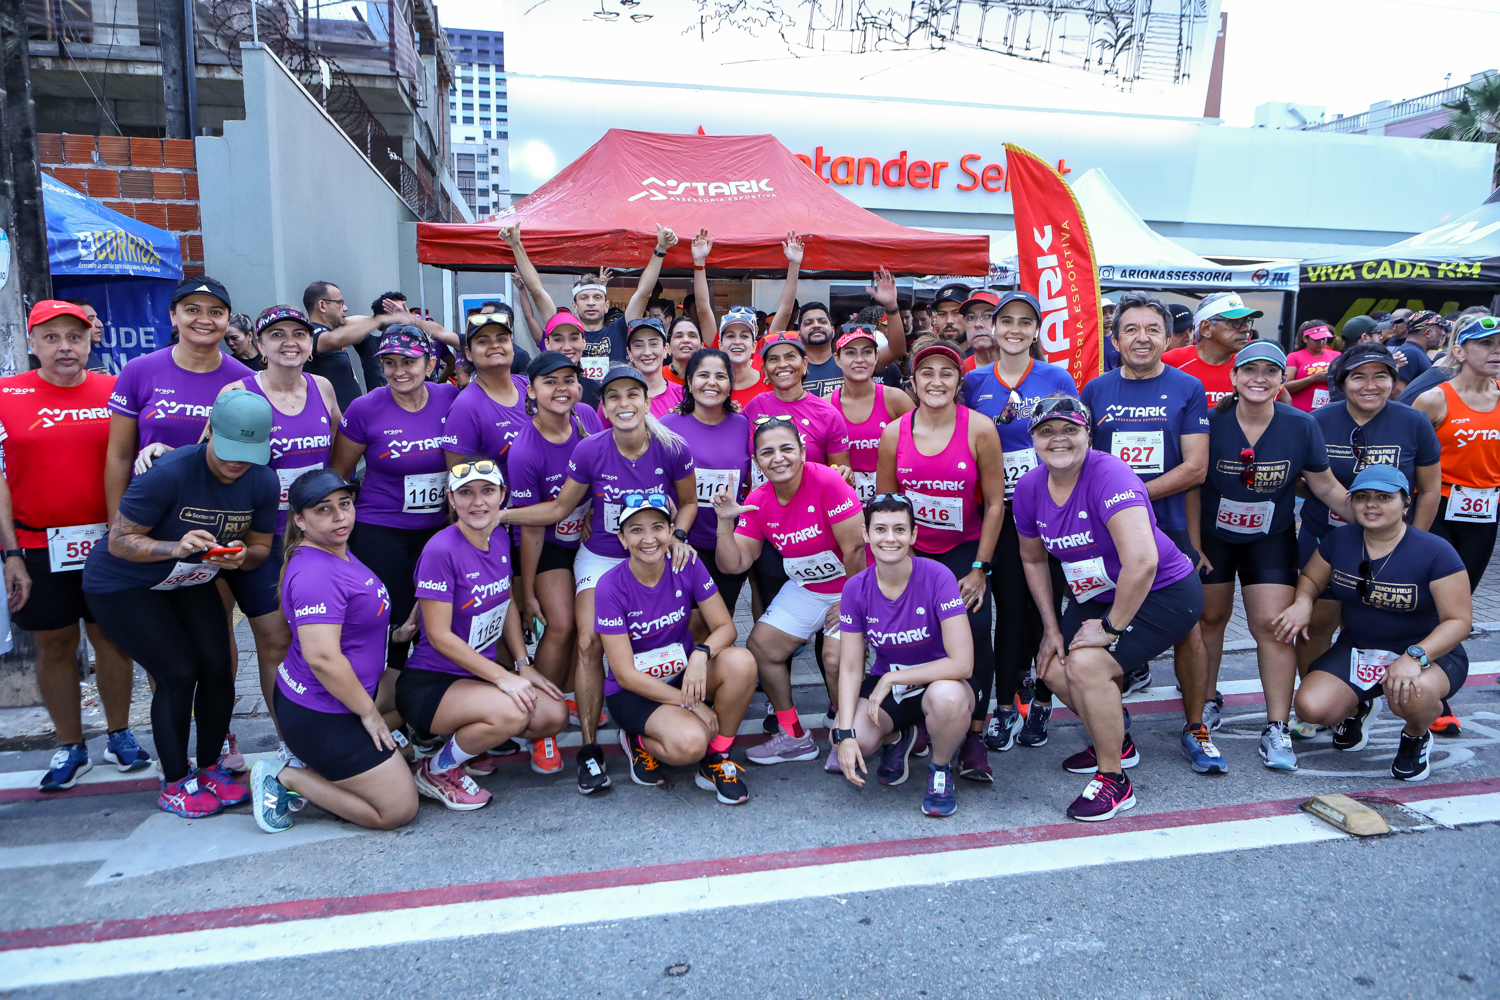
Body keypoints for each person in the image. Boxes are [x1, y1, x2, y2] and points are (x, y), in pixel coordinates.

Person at [499, 365, 698, 793]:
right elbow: (556, 510)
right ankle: (590, 748)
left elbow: (688, 503)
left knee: (677, 630)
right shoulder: (590, 449)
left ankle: (644, 721)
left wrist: (678, 536)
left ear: (647, 401)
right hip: (602, 558)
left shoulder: (673, 446)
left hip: (653, 552)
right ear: (603, 407)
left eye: (633, 395)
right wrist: (497, 515)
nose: (624, 404)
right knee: (588, 640)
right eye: (614, 398)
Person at [83, 391, 277, 817]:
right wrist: (174, 546)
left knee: (217, 664)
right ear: (209, 432)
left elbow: (262, 546)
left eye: (247, 454)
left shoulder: (263, 479)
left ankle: (209, 767)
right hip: (122, 582)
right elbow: (118, 541)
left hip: (191, 578)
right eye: (227, 450)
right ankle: (174, 781)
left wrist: (244, 556)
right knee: (177, 669)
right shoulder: (169, 472)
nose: (235, 462)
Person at [1014, 395, 1204, 821]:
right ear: (1033, 440)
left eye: (1070, 430)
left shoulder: (1111, 476)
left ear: (1088, 435)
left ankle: (1114, 780)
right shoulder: (1029, 487)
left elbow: (1143, 561)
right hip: (1098, 592)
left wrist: (1111, 628)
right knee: (1051, 663)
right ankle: (1116, 740)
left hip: (1164, 592)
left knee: (1086, 666)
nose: (1058, 440)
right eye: (1047, 431)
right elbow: (1032, 559)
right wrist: (1050, 628)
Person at [0, 301, 148, 792]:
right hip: (37, 543)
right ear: (32, 341)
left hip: (111, 540)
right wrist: (11, 555)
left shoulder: (116, 390)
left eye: (75, 336)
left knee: (113, 640)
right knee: (54, 645)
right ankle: (70, 743)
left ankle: (120, 733)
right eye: (52, 337)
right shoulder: (6, 394)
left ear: (90, 340)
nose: (64, 346)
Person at [1191, 341, 1353, 772]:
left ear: (1284, 379)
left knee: (1274, 625)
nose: (1259, 378)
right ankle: (1204, 704)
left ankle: (1276, 726)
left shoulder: (1301, 425)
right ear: (1234, 377)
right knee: (1209, 619)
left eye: (1270, 371)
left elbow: (1326, 485)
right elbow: (1192, 482)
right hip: (1214, 537)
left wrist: (1372, 518)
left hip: (1271, 536)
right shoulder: (1210, 421)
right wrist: (1193, 543)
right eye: (1250, 370)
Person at [1080, 292, 1220, 769]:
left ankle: (1196, 725)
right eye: (1131, 330)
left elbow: (1196, 468)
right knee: (1106, 625)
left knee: (1189, 630)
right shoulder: (1095, 391)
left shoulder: (1187, 387)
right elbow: (1081, 462)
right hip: (1108, 537)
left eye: (1152, 329)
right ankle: (1113, 728)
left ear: (1167, 337)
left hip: (1170, 529)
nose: (1142, 338)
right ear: (1115, 339)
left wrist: (1128, 499)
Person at [1274, 465, 1471, 781]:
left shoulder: (1436, 552)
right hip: (1359, 648)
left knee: (1413, 694)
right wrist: (1302, 601)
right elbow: (1311, 576)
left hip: (1427, 655)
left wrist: (1415, 656)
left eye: (1384, 497)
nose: (1372, 504)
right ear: (1350, 503)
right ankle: (1358, 707)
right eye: (1362, 496)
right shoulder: (1340, 539)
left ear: (1405, 504)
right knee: (1311, 707)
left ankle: (1416, 734)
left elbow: (1459, 621)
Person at [391, 458, 569, 809]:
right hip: (433, 681)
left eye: (487, 491)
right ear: (450, 499)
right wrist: (503, 678)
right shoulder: (440, 550)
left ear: (503, 496)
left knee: (554, 714)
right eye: (466, 493)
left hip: (476, 678)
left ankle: (466, 743)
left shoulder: (500, 537)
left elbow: (503, 606)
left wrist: (523, 664)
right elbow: (440, 636)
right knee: (514, 712)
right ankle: (437, 769)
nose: (477, 502)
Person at [248, 470, 418, 834]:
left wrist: (397, 635)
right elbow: (322, 658)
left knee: (416, 695)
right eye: (323, 510)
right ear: (300, 520)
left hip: (343, 698)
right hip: (321, 714)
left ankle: (347, 759)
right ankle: (284, 776)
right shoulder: (315, 574)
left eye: (345, 504)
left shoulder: (336, 551)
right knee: (397, 809)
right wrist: (370, 714)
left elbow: (350, 625)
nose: (340, 516)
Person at [877, 339, 1004, 781]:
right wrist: (894, 559)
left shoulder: (981, 429)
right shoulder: (895, 432)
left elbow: (994, 504)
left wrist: (980, 568)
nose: (936, 381)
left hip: (964, 551)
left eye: (945, 373)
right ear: (913, 381)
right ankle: (916, 726)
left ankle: (973, 734)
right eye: (926, 373)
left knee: (973, 635)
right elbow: (887, 505)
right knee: (914, 637)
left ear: (958, 381)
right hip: (914, 551)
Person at [1297, 344, 1442, 730]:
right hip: (1324, 539)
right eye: (1358, 376)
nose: (1370, 385)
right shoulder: (1317, 421)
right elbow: (1301, 479)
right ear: (1342, 382)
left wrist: (1414, 545)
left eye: (1381, 376)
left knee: (1369, 621)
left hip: (1393, 545)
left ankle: (1364, 696)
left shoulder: (1413, 422)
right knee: (1317, 622)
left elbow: (1429, 490)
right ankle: (1334, 697)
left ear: (1395, 382)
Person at [219, 305, 341, 762]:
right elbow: (215, 460)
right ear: (260, 343)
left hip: (316, 539)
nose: (289, 342)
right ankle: (288, 739)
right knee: (275, 641)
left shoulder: (322, 387)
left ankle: (322, 720)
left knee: (320, 636)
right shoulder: (239, 391)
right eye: (277, 334)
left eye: (299, 334)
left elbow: (335, 457)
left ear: (310, 345)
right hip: (262, 539)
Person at [711, 416, 865, 766]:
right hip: (809, 588)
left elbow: (856, 550)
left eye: (786, 448)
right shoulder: (759, 497)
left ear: (802, 451)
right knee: (761, 647)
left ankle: (847, 735)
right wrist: (724, 523)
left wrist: (852, 602)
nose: (777, 458)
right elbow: (734, 565)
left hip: (856, 585)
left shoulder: (827, 479)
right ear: (757, 461)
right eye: (767, 452)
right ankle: (794, 736)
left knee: (834, 658)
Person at [962, 291, 1077, 750]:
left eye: (1024, 322)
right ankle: (1007, 705)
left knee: (1049, 610)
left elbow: (1072, 440)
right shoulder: (974, 381)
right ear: (993, 326)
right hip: (1000, 514)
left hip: (1051, 513)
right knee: (1013, 611)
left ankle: (1044, 700)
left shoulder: (1055, 377)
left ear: (1037, 329)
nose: (1013, 329)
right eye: (1004, 320)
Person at [596, 493, 757, 803]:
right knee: (688, 745)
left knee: (742, 662)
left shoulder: (687, 564)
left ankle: (716, 758)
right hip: (635, 692)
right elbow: (625, 675)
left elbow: (726, 627)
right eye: (636, 529)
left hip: (681, 672)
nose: (648, 538)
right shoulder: (609, 586)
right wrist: (692, 703)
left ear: (671, 531)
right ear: (622, 538)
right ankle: (638, 740)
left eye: (657, 527)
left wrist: (701, 653)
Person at [832, 494, 975, 817]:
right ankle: (899, 735)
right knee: (851, 740)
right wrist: (844, 734)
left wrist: (895, 677)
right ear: (866, 535)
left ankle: (940, 769)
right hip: (891, 689)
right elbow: (852, 667)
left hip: (940, 681)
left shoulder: (938, 576)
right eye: (880, 529)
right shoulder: (855, 588)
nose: (890, 538)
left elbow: (963, 663)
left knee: (947, 699)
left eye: (900, 529)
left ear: (913, 535)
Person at [330, 326, 461, 674]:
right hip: (381, 528)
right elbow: (340, 474)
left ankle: (428, 700)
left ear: (430, 363)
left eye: (408, 361)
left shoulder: (451, 400)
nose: (399, 370)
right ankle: (387, 704)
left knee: (438, 615)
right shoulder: (364, 409)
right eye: (389, 362)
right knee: (394, 617)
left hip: (438, 530)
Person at [508, 351, 604, 774]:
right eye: (550, 382)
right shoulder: (524, 450)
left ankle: (569, 694)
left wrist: (595, 521)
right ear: (532, 391)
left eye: (569, 379)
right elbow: (530, 528)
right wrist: (527, 592)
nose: (561, 388)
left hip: (588, 535)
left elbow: (606, 473)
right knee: (560, 623)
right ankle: (541, 726)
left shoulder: (587, 417)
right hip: (544, 543)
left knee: (592, 626)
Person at [106, 276, 253, 508]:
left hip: (219, 507)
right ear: (173, 315)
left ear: (227, 320)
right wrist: (117, 527)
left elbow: (248, 458)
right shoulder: (139, 370)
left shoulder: (246, 380)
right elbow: (119, 456)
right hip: (150, 509)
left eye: (216, 312)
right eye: (192, 309)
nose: (204, 320)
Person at [503, 223, 680, 380]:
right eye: (584, 298)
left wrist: (660, 250)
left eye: (597, 298)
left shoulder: (619, 329)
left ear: (606, 305)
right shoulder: (564, 331)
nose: (590, 303)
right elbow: (537, 292)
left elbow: (643, 293)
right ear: (574, 306)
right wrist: (516, 245)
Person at [662, 348, 754, 617]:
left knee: (723, 617)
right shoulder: (666, 426)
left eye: (720, 376)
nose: (712, 382)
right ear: (689, 382)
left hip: (730, 545)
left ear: (730, 385)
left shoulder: (743, 425)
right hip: (684, 543)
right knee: (691, 621)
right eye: (703, 375)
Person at [1413, 315, 1500, 596]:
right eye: (1486, 343)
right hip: (1437, 505)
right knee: (1430, 588)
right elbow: (1406, 457)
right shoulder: (1434, 400)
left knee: (1463, 593)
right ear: (1459, 351)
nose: (1496, 350)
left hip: (1485, 510)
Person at [740, 332, 852, 478]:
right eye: (774, 359)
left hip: (812, 500)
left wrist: (847, 476)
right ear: (765, 369)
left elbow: (840, 479)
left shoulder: (828, 414)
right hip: (760, 500)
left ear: (804, 363)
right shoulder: (754, 406)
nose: (782, 364)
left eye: (790, 356)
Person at [444, 310, 532, 486]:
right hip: (501, 511)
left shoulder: (529, 386)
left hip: (541, 508)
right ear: (468, 353)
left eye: (502, 339)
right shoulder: (466, 407)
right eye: (483, 341)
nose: (494, 345)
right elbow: (459, 481)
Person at [831, 325, 915, 505]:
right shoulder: (826, 406)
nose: (859, 360)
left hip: (893, 506)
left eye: (867, 352)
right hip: (845, 508)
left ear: (876, 357)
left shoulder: (896, 399)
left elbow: (920, 448)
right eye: (851, 353)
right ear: (837, 359)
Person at [1163, 292, 1276, 408]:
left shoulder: (1251, 364)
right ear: (1206, 328)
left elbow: (1282, 404)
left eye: (1246, 321)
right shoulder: (1169, 362)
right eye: (1234, 322)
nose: (1246, 329)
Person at [303, 280, 386, 411]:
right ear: (322, 305)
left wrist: (383, 320)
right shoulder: (310, 332)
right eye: (340, 303)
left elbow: (349, 322)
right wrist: (380, 320)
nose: (345, 308)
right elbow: (331, 340)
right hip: (330, 421)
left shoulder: (328, 331)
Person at [616, 318, 684, 417]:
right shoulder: (615, 396)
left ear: (666, 349)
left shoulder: (683, 395)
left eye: (653, 344)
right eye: (639, 345)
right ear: (629, 353)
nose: (647, 352)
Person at [542, 312, 603, 407]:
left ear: (583, 341)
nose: (567, 347)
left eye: (573, 338)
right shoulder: (533, 382)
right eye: (558, 339)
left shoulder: (593, 388)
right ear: (547, 344)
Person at [719, 307, 771, 409]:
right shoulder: (710, 386)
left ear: (754, 346)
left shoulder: (771, 385)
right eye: (730, 336)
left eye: (744, 336)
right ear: (720, 345)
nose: (737, 342)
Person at [1284, 321, 1340, 412]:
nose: (1321, 342)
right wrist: (1312, 378)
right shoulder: (1294, 357)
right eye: (1316, 340)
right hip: (1301, 411)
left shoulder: (1337, 356)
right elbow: (1284, 386)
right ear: (1305, 339)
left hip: (1330, 411)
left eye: (1324, 339)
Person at [959, 291, 1001, 373]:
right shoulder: (961, 372)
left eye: (988, 316)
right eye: (971, 318)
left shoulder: (1022, 368)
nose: (978, 324)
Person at [929, 283, 970, 348]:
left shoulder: (986, 356)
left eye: (956, 313)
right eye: (942, 314)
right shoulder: (930, 356)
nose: (949, 321)